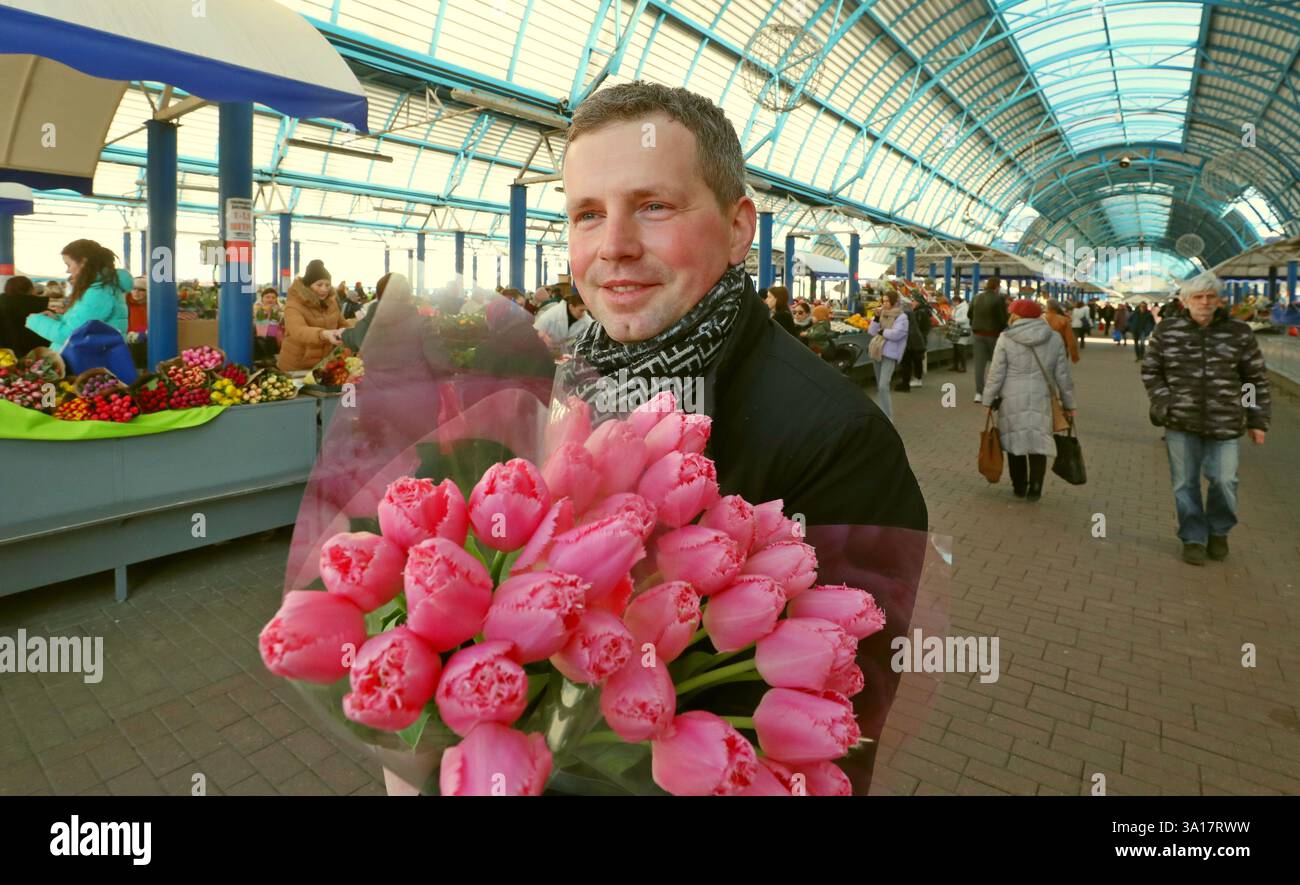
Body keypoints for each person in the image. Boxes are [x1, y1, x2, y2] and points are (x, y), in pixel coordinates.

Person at [1141, 272, 1269, 566]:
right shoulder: (1168, 331)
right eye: (1198, 297)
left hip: (1225, 423)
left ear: (1219, 300)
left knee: (1225, 480)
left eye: (1210, 296)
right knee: (1184, 484)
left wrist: (1256, 420)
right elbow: (1151, 371)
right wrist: (1165, 402)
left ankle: (1219, 530)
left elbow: (1253, 380)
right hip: (1180, 422)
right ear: (1185, 301)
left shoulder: (1239, 333)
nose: (1205, 302)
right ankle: (1193, 537)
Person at [981, 299, 1077, 501]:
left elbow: (996, 373)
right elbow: (1063, 376)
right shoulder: (1054, 338)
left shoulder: (1006, 337)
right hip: (1042, 396)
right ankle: (1035, 488)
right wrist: (1069, 405)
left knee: (1015, 442)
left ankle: (1019, 486)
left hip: (1012, 396)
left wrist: (988, 399)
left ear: (1016, 315)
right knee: (1038, 442)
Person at [25, 239, 129, 350]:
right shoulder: (99, 289)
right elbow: (82, 325)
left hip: (86, 361)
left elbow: (72, 335)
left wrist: (36, 321)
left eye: (68, 265)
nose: (68, 271)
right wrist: (58, 319)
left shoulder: (98, 293)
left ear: (83, 262)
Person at [278, 259, 347, 372]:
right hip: (296, 367)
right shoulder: (294, 305)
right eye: (319, 285)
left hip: (322, 366)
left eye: (327, 285)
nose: (324, 289)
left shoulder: (331, 303)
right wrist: (324, 334)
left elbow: (342, 323)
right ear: (308, 286)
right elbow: (298, 331)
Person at [866, 287, 908, 421]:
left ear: (894, 302)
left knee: (884, 385)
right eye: (883, 301)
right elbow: (871, 331)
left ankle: (888, 416)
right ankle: (880, 414)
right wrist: (877, 318)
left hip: (890, 353)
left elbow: (897, 334)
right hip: (877, 351)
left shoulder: (902, 317)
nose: (884, 304)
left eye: (887, 301)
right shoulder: (881, 314)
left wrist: (882, 332)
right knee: (879, 385)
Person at [969, 274, 1008, 403]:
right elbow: (1003, 318)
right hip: (994, 335)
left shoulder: (976, 297)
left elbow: (970, 314)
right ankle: (995, 393)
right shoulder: (999, 299)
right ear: (997, 286)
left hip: (978, 334)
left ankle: (978, 393)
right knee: (996, 364)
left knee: (979, 366)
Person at [0, 275, 50, 354]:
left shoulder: (2, 305)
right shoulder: (39, 307)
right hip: (35, 354)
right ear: (31, 289)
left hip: (5, 356)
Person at [533, 290, 592, 355]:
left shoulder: (586, 319)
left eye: (585, 310)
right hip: (547, 354)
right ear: (571, 307)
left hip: (568, 356)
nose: (583, 314)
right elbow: (535, 331)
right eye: (581, 310)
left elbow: (594, 331)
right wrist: (541, 336)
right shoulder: (552, 314)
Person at [946, 295, 969, 372]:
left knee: (961, 349)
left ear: (957, 301)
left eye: (953, 302)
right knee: (955, 348)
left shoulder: (965, 308)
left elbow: (964, 319)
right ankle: (955, 365)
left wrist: (954, 319)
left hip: (963, 330)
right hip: (956, 330)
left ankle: (963, 366)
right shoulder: (956, 308)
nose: (953, 304)